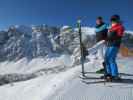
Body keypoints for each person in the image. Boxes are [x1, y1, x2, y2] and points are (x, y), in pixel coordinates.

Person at [104, 15, 125, 81]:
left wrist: (110, 38)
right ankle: (108, 74)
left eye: (114, 19)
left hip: (114, 45)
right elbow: (109, 36)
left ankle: (115, 75)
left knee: (111, 59)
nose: (113, 21)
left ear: (117, 20)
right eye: (112, 19)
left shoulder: (120, 27)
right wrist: (107, 38)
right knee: (106, 59)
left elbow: (119, 36)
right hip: (109, 45)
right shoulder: (111, 28)